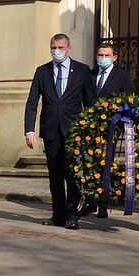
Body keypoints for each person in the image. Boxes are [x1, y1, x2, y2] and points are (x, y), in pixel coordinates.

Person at [24, 33, 93, 230]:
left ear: (68, 48)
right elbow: (32, 103)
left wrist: (91, 129)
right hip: (51, 131)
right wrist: (29, 130)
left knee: (72, 175)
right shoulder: (42, 71)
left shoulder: (82, 70)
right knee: (55, 176)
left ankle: (72, 215)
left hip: (74, 132)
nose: (57, 51)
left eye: (61, 48)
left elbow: (90, 102)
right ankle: (58, 215)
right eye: (54, 48)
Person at [78, 42, 135, 218]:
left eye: (106, 56)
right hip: (90, 127)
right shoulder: (90, 75)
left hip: (111, 127)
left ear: (114, 57)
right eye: (100, 55)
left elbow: (130, 100)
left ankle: (104, 202)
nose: (103, 59)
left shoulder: (122, 77)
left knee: (105, 164)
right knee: (89, 164)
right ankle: (89, 200)